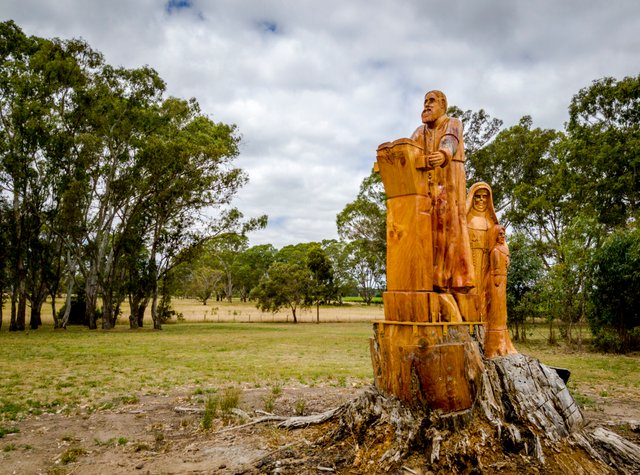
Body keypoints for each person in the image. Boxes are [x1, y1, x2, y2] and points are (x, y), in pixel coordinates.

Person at [410, 90, 475, 293]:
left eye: (431, 101)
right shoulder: (421, 132)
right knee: (428, 228)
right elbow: (409, 147)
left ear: (443, 105)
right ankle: (428, 277)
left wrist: (444, 154)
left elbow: (450, 141)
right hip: (427, 187)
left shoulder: (453, 123)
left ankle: (451, 280)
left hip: (450, 181)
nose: (426, 105)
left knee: (450, 226)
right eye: (425, 101)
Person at [466, 182, 499, 320]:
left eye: (484, 197)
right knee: (472, 289)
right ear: (472, 198)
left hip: (488, 263)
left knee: (486, 291)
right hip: (470, 260)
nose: (481, 200)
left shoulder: (491, 221)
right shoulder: (466, 219)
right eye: (477, 197)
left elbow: (500, 244)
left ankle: (484, 320)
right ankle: (470, 318)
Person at [485, 225, 517, 358]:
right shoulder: (495, 251)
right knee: (497, 308)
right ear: (495, 236)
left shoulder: (504, 249)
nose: (502, 236)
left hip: (503, 281)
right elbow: (495, 268)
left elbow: (506, 265)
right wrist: (497, 278)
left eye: (504, 234)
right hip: (496, 282)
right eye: (500, 234)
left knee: (502, 308)